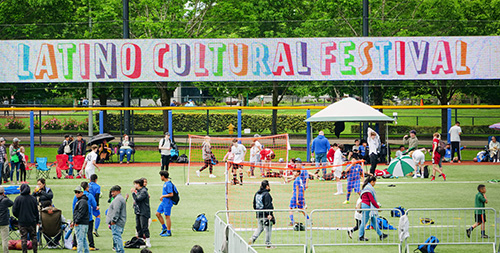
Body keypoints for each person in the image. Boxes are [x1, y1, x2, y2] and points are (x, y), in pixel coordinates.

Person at [358, 176, 387, 241]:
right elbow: (372, 200)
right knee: (364, 222)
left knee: (374, 220)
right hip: (366, 206)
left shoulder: (366, 188)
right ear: (372, 182)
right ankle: (360, 236)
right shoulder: (368, 189)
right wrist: (378, 207)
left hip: (366, 206)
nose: (374, 184)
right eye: (374, 182)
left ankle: (381, 235)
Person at [12, 184, 39, 253]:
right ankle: (35, 251)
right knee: (34, 237)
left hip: (22, 222)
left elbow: (14, 211)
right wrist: (37, 220)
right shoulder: (33, 199)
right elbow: (36, 211)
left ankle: (24, 251)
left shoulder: (18, 199)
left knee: (23, 238)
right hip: (32, 221)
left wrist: (19, 216)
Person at [249, 180, 275, 249]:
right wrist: (269, 214)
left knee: (260, 228)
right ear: (267, 186)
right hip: (265, 215)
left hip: (259, 214)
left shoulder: (257, 194)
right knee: (268, 229)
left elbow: (254, 204)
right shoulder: (266, 194)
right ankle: (268, 243)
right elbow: (268, 205)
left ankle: (253, 238)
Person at [72, 182, 98, 251]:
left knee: (79, 238)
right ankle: (91, 245)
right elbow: (94, 205)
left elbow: (75, 209)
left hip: (80, 221)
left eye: (78, 192)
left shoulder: (78, 199)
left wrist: (75, 220)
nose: (76, 193)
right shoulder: (89, 196)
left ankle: (74, 245)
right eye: (76, 192)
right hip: (88, 218)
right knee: (87, 235)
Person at [106, 185, 126, 253]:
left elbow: (116, 211)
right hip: (118, 222)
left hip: (116, 223)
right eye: (111, 192)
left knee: (117, 238)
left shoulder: (118, 199)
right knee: (116, 238)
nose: (112, 193)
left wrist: (113, 220)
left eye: (113, 192)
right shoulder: (119, 198)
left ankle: (120, 251)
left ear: (118, 191)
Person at [156, 171, 176, 237]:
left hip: (168, 202)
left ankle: (169, 231)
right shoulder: (165, 183)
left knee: (167, 216)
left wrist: (163, 196)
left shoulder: (168, 184)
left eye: (161, 176)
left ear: (163, 176)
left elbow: (171, 194)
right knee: (157, 214)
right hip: (164, 202)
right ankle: (164, 228)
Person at [132, 178, 151, 248]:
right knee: (138, 226)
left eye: (135, 184)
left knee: (144, 227)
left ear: (138, 184)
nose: (134, 185)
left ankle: (148, 241)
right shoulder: (140, 191)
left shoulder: (143, 191)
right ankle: (140, 241)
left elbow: (137, 199)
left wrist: (133, 193)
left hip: (143, 212)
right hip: (138, 212)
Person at [73, 186, 89, 253]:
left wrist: (76, 221)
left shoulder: (82, 202)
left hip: (80, 224)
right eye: (76, 192)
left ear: (82, 192)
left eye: (78, 192)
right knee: (84, 239)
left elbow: (80, 213)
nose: (77, 194)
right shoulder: (83, 201)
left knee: (79, 240)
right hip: (84, 223)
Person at [0, 186, 13, 253]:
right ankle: (5, 252)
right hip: (3, 221)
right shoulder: (5, 200)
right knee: (4, 239)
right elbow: (11, 203)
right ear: (3, 192)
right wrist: (5, 197)